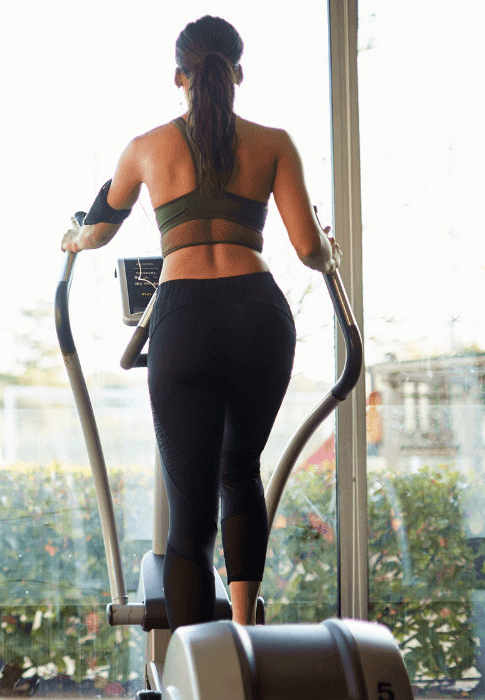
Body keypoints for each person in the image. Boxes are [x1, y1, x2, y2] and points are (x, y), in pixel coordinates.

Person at [60, 15, 340, 629]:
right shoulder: (274, 143)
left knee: (189, 505)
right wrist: (330, 250)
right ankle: (243, 634)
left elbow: (99, 230)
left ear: (178, 77)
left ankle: (196, 666)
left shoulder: (145, 148)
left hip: (185, 317)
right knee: (240, 470)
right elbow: (307, 249)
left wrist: (73, 239)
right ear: (238, 73)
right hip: (258, 315)